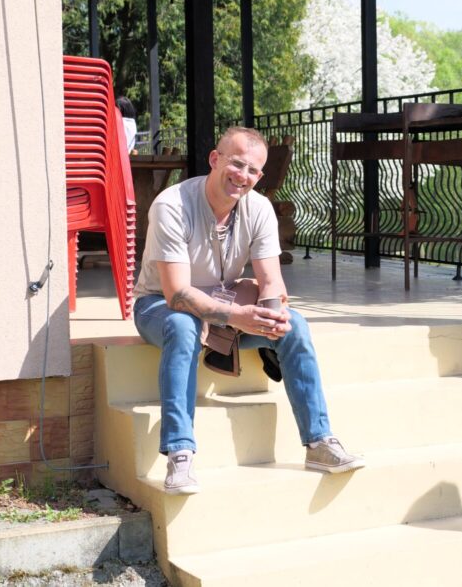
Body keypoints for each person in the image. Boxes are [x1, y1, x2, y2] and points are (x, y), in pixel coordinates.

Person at [132, 126, 364, 495]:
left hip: (226, 301)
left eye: (253, 170)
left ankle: (319, 441)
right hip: (160, 304)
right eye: (237, 164)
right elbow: (177, 294)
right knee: (184, 325)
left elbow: (271, 282)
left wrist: (272, 316)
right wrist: (236, 316)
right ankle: (179, 453)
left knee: (294, 325)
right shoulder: (172, 204)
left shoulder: (259, 208)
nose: (243, 176)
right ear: (215, 159)